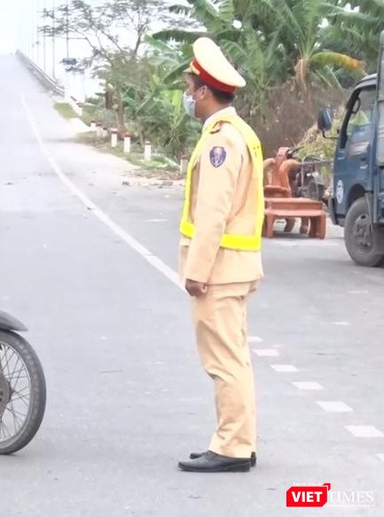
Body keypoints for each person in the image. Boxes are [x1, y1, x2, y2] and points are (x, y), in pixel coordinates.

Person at [175, 37, 264, 473]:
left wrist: (197, 271)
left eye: (190, 87)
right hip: (235, 266)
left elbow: (212, 213)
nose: (187, 95)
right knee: (235, 357)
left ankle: (231, 447)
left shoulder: (220, 142)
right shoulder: (238, 133)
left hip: (220, 269)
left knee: (224, 361)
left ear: (205, 91)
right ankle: (239, 440)